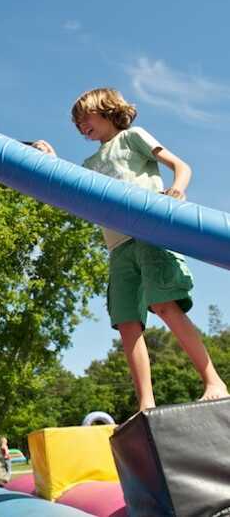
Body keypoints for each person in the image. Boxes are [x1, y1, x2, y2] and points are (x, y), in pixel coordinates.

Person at [32, 87, 228, 413]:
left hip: (149, 232)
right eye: (76, 122)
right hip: (118, 247)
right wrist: (51, 161)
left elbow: (181, 165)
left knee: (164, 304)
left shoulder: (132, 137)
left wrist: (177, 189)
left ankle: (213, 380)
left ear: (108, 109)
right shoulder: (89, 163)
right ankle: (145, 403)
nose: (81, 125)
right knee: (126, 323)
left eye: (86, 116)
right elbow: (71, 190)